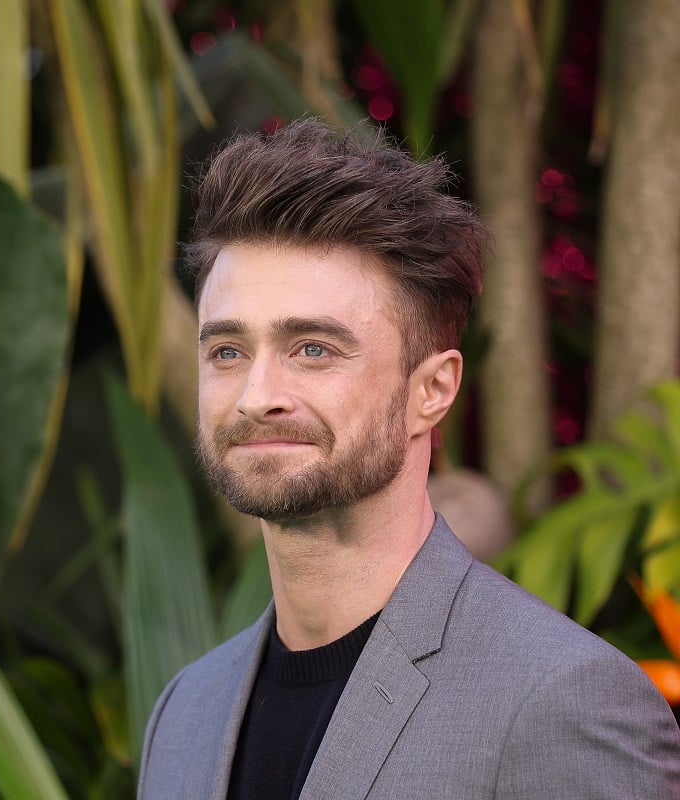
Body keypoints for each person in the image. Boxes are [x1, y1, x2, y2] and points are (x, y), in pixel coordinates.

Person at [136, 118, 680, 799]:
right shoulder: (186, 712)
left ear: (433, 390)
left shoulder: (561, 703)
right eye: (227, 351)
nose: (256, 396)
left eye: (313, 349)